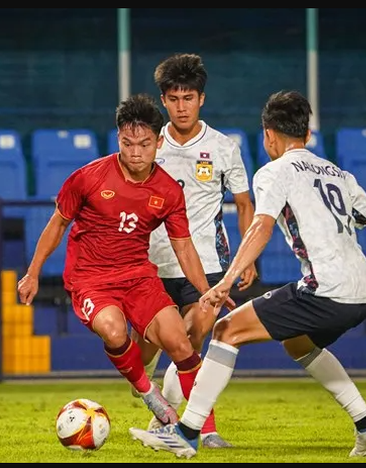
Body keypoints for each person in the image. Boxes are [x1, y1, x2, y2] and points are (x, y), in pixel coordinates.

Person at [128, 90, 366, 459]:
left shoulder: (274, 171)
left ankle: (187, 434)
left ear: (269, 135)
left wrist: (225, 280)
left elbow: (260, 227)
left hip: (324, 290)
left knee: (225, 330)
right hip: (361, 293)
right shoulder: (339, 174)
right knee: (298, 343)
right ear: (308, 135)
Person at [17, 93, 234, 428]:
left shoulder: (167, 191)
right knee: (114, 330)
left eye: (144, 144)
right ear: (117, 137)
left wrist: (206, 290)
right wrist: (32, 273)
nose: (135, 152)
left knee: (180, 342)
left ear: (158, 142)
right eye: (127, 143)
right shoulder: (88, 178)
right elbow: (57, 223)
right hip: (90, 279)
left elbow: (184, 246)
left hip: (138, 277)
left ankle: (207, 430)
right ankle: (149, 393)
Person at [127, 53, 258, 448]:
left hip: (208, 263)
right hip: (153, 263)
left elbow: (244, 204)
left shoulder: (223, 147)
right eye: (173, 98)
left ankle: (202, 427)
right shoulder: (148, 144)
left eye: (188, 97)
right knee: (158, 346)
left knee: (194, 337)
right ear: (163, 101)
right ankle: (151, 377)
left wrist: (246, 260)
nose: (181, 105)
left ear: (201, 99)